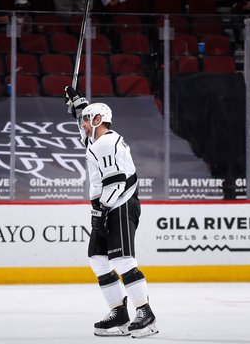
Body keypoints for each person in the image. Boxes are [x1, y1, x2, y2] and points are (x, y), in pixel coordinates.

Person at [64, 86, 159, 339]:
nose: (83, 124)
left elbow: (117, 181)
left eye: (86, 119)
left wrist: (102, 209)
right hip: (108, 206)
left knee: (122, 260)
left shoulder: (105, 144)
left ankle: (145, 312)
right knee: (98, 259)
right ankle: (119, 313)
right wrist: (79, 106)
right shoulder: (99, 140)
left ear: (98, 121)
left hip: (120, 204)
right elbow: (86, 136)